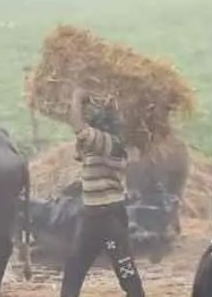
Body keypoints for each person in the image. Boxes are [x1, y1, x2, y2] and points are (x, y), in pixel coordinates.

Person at [59, 85, 145, 297]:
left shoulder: (109, 143)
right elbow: (82, 152)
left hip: (106, 217)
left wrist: (77, 98)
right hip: (93, 216)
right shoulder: (109, 145)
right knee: (75, 267)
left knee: (125, 269)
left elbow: (79, 129)